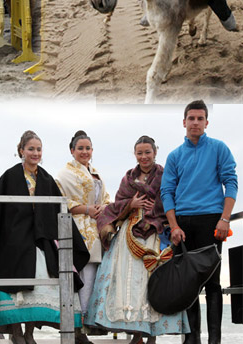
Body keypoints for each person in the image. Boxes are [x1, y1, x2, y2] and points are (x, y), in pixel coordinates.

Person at [0, 129, 89, 344]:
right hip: (13, 239)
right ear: (21, 150)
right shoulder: (10, 176)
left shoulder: (46, 178)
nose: (35, 153)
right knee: (13, 284)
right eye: (31, 149)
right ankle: (15, 331)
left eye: (38, 149)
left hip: (39, 239)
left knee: (41, 282)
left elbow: (58, 210)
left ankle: (30, 332)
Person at [87, 135, 189, 341]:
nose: (144, 157)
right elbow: (117, 203)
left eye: (147, 152)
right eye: (140, 153)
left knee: (151, 282)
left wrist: (157, 209)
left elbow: (172, 198)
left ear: (155, 152)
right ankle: (136, 334)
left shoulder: (164, 174)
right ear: (135, 154)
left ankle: (152, 333)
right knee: (128, 282)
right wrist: (131, 205)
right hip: (129, 235)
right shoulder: (128, 178)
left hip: (155, 232)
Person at [161, 99, 238, 344]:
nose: (195, 122)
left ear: (206, 122)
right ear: (184, 122)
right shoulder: (174, 156)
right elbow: (167, 192)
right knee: (188, 284)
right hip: (182, 224)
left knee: (213, 283)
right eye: (191, 118)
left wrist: (225, 219)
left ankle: (215, 340)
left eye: (200, 118)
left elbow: (231, 182)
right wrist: (173, 226)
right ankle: (191, 340)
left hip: (212, 222)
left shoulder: (219, 148)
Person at [57, 132, 110, 338]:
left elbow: (105, 197)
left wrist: (102, 209)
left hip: (96, 228)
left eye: (88, 148)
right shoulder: (64, 174)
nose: (85, 152)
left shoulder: (96, 173)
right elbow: (62, 201)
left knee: (91, 277)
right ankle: (76, 327)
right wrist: (86, 209)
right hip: (76, 227)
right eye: (80, 148)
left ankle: (87, 324)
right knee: (78, 277)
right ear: (72, 151)